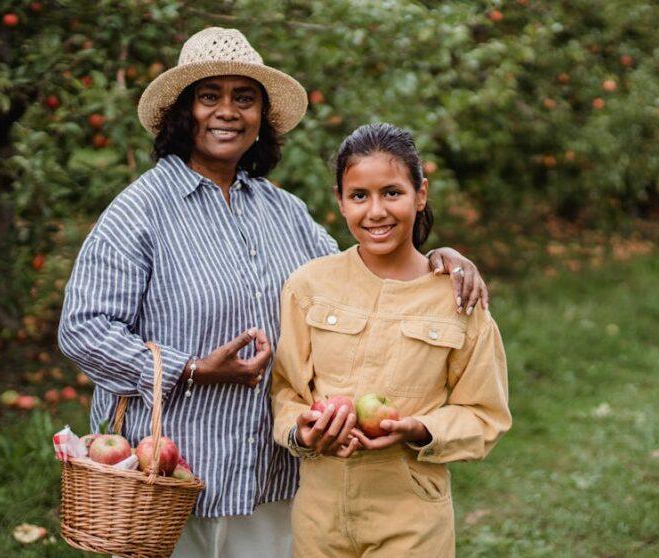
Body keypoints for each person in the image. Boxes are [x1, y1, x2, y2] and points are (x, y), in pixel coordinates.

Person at [57, 28, 488, 558]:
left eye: (245, 98)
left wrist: (439, 258)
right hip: (174, 474)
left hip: (272, 468)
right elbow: (82, 329)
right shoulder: (140, 210)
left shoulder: (283, 211)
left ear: (262, 116)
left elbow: (364, 269)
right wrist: (190, 369)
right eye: (209, 96)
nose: (227, 111)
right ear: (181, 112)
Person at [271, 123, 511, 557]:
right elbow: (286, 389)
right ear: (340, 203)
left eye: (392, 193)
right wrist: (304, 432)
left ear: (420, 195)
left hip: (412, 516)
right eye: (359, 196)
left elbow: (484, 414)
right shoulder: (309, 286)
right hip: (319, 514)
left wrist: (420, 429)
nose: (376, 211)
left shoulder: (456, 297)